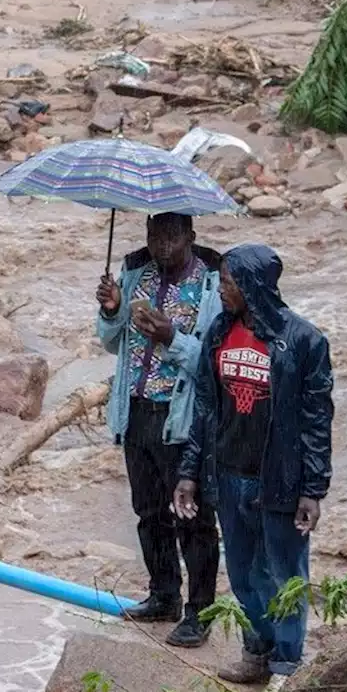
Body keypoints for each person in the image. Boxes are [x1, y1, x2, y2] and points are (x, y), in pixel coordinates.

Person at [174, 243, 334, 690]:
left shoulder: (303, 341)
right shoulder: (220, 333)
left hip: (280, 481)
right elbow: (205, 408)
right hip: (228, 476)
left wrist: (313, 489)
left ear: (253, 285)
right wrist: (189, 471)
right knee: (243, 574)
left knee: (283, 575)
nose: (221, 289)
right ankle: (256, 653)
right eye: (222, 280)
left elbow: (317, 420)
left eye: (228, 281)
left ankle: (287, 664)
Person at [96, 212, 223, 648]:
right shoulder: (136, 275)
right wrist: (111, 309)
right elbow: (114, 343)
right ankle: (163, 594)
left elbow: (212, 362)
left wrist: (172, 336)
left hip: (182, 417)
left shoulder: (211, 285)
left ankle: (200, 612)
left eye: (170, 236)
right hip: (136, 409)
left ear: (190, 235)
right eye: (154, 235)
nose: (161, 244)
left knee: (194, 519)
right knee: (149, 512)